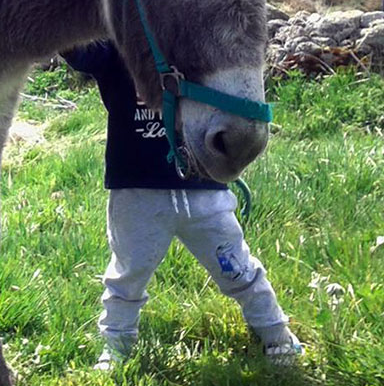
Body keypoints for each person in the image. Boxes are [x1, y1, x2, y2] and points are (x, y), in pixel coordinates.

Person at [60, 40, 303, 369]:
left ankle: (276, 333)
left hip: (204, 191)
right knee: (126, 278)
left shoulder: (199, 50)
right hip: (138, 193)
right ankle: (116, 347)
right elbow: (75, 47)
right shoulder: (117, 50)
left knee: (240, 270)